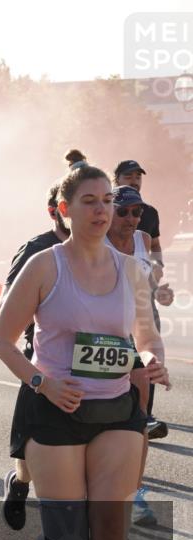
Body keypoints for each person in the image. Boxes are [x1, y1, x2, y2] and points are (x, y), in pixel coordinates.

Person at [0, 157, 170, 540]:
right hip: (55, 410)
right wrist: (43, 384)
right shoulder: (44, 265)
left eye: (106, 201)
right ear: (65, 209)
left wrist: (152, 360)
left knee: (112, 526)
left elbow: (146, 336)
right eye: (88, 202)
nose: (101, 210)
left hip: (116, 410)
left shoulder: (133, 269)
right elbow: (2, 342)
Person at [1, 171, 73, 531]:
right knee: (33, 443)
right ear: (56, 211)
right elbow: (10, 302)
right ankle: (20, 482)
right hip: (43, 355)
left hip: (92, 367)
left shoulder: (103, 249)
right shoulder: (36, 249)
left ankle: (109, 524)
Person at [105, 185, 175, 529]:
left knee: (138, 419)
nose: (131, 219)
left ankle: (134, 493)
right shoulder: (94, 239)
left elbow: (149, 281)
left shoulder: (143, 240)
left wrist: (160, 290)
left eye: (136, 212)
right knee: (99, 419)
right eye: (124, 212)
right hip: (100, 336)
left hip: (135, 334)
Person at [114, 160, 169, 441]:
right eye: (128, 176)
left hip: (142, 306)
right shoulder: (99, 228)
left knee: (148, 360)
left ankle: (144, 416)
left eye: (136, 211)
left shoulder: (146, 229)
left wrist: (158, 280)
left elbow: (155, 252)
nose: (132, 216)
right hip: (111, 317)